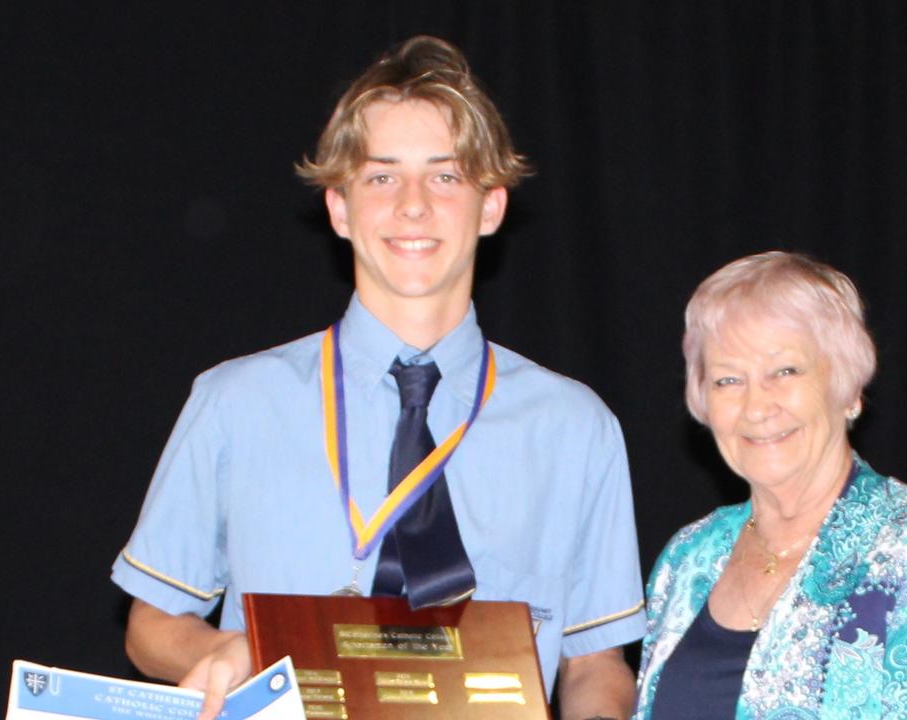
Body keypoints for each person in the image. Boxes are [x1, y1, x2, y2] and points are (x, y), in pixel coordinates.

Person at [111, 36, 644, 720]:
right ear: (339, 207)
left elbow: (596, 664)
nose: (413, 205)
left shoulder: (576, 427)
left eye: (446, 176)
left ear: (492, 206)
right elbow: (150, 627)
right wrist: (232, 652)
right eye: (382, 176)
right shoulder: (234, 403)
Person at [633, 252, 907, 718]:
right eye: (728, 380)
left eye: (785, 372)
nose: (756, 407)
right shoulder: (687, 557)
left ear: (848, 387)